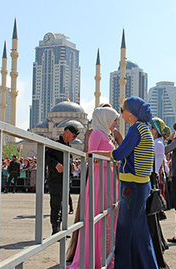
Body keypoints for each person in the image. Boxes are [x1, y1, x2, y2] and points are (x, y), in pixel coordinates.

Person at [90, 96, 158, 269]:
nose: (121, 114)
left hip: (132, 186)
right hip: (141, 184)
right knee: (139, 229)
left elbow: (119, 154)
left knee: (125, 229)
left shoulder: (136, 129)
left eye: (122, 110)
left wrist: (96, 153)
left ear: (131, 113)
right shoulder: (145, 128)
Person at [67, 107, 119, 269]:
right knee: (99, 217)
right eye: (114, 119)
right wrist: (111, 159)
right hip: (100, 179)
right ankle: (95, 258)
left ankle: (106, 257)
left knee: (108, 217)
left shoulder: (105, 135)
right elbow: (92, 158)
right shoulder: (97, 134)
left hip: (108, 179)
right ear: (105, 118)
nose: (116, 123)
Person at [45, 125, 79, 235]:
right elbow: (44, 156)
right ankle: (55, 229)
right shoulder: (54, 144)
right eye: (73, 136)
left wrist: (71, 164)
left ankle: (63, 229)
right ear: (67, 132)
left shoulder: (68, 146)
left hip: (66, 179)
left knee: (64, 205)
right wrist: (55, 164)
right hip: (55, 180)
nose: (74, 139)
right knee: (56, 205)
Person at [149, 117, 171, 269]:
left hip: (151, 178)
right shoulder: (158, 143)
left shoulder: (156, 143)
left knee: (151, 215)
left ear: (155, 130)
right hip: (153, 177)